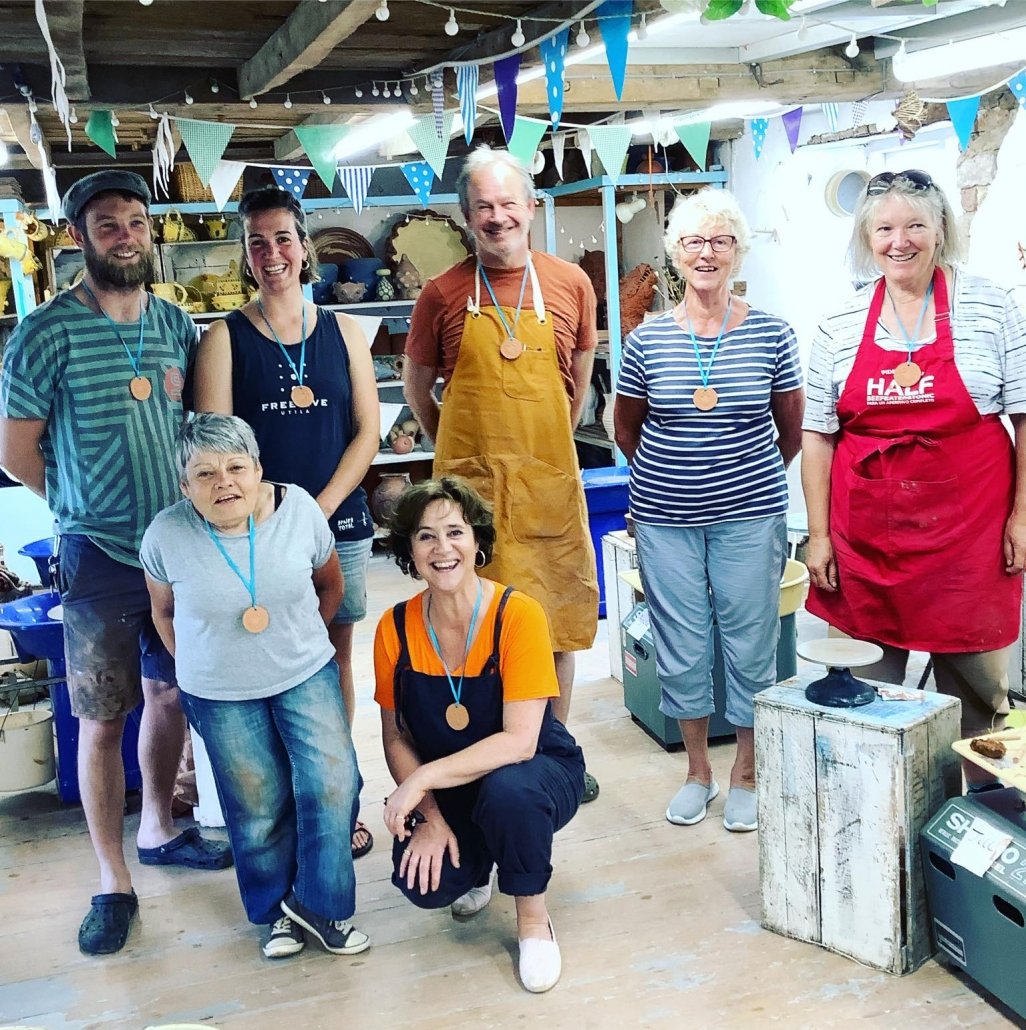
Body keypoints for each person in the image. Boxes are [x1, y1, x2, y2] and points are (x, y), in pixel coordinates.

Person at [0, 170, 231, 956]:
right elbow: (18, 453)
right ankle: (112, 879)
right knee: (101, 721)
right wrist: (77, 507)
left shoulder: (175, 327)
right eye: (108, 225)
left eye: (136, 222)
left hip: (175, 547)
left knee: (170, 698)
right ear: (77, 238)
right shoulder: (44, 334)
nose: (126, 236)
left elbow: (200, 433)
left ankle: (161, 828)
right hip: (95, 554)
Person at [802, 169, 1026, 788]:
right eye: (885, 228)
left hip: (971, 534)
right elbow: (817, 434)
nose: (900, 241)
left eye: (916, 226)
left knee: (980, 694)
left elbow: (1025, 414)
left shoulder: (989, 306)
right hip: (866, 537)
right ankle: (869, 807)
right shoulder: (841, 322)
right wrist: (818, 536)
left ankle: (978, 818)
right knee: (863, 692)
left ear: (941, 231)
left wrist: (1022, 517)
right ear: (866, 238)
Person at [403, 145, 601, 802]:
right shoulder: (441, 292)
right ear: (465, 217)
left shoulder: (571, 283)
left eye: (508, 203)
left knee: (555, 629)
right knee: (474, 634)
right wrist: (452, 458)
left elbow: (578, 376)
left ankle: (555, 756)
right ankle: (483, 763)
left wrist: (547, 444)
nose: (497, 217)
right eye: (483, 206)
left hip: (546, 486)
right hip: (473, 503)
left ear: (531, 208)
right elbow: (418, 384)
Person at [141, 413, 370, 960]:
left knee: (334, 782)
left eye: (235, 467)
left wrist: (298, 640)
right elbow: (164, 612)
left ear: (258, 468)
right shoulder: (166, 534)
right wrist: (203, 666)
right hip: (218, 693)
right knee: (257, 802)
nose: (224, 483)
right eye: (204, 474)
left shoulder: (300, 512)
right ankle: (277, 917)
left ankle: (319, 905)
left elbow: (329, 585)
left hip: (303, 670)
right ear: (184, 486)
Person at [193, 186, 379, 859]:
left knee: (333, 663)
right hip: (254, 540)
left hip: (338, 527)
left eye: (282, 239)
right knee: (266, 670)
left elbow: (367, 435)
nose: (272, 253)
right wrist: (277, 522)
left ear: (305, 248)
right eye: (258, 242)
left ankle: (339, 804)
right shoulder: (224, 339)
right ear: (247, 256)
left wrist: (317, 512)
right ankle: (285, 817)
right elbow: (217, 454)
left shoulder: (345, 333)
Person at [613, 188, 804, 832]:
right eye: (694, 241)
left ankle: (745, 773)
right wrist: (680, 480)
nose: (707, 253)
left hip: (751, 515)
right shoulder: (646, 342)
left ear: (737, 252)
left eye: (720, 240)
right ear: (676, 254)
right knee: (682, 645)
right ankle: (697, 772)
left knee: (752, 644)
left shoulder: (773, 333)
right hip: (665, 518)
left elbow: (792, 432)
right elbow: (627, 431)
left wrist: (735, 481)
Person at [375, 476, 585, 993]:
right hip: (457, 784)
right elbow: (396, 735)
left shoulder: (518, 614)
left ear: (477, 542)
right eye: (425, 536)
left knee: (509, 792)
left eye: (455, 532)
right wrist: (430, 816)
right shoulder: (393, 628)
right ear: (409, 550)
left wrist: (422, 779)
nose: (442, 548)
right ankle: (478, 864)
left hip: (535, 771)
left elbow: (520, 742)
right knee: (423, 883)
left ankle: (533, 918)